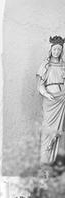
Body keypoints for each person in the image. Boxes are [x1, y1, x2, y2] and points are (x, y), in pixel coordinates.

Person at [37, 35, 65, 164]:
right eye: (55, 49)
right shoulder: (45, 65)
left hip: (62, 100)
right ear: (51, 50)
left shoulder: (63, 65)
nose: (56, 51)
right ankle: (44, 164)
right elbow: (40, 85)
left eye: (59, 49)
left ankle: (54, 163)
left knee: (59, 131)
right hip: (50, 102)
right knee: (48, 131)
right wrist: (46, 94)